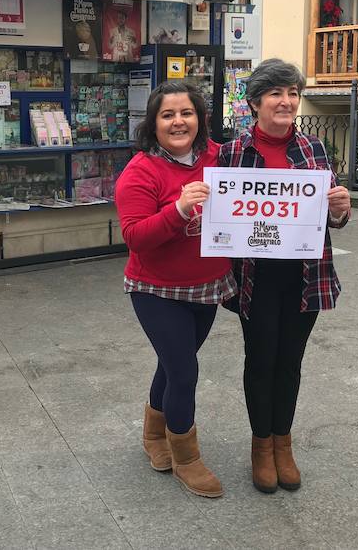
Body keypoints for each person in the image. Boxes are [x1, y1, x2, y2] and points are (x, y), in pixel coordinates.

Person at [218, 58, 351, 494]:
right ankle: (261, 446)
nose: (287, 101)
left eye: (293, 93)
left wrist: (341, 209)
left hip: (304, 275)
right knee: (261, 360)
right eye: (276, 93)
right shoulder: (232, 152)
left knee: (290, 361)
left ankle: (283, 444)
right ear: (256, 102)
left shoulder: (314, 149)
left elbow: (330, 217)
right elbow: (222, 218)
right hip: (255, 278)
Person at [115, 80, 234, 498]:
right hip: (156, 289)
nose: (178, 121)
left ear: (201, 119)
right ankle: (187, 457)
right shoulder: (140, 171)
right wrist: (179, 209)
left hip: (209, 285)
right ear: (154, 123)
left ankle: (153, 434)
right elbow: (135, 237)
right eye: (168, 114)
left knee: (172, 364)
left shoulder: (224, 158)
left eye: (186, 112)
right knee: (184, 369)